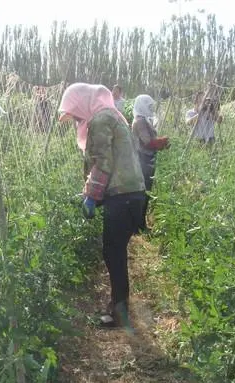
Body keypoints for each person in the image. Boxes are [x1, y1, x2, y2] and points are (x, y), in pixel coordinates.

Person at [58, 82, 146, 329]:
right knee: (116, 252)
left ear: (82, 104)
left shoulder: (100, 120)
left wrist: (91, 196)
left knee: (113, 253)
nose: (76, 119)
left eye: (75, 114)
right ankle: (120, 307)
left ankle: (119, 313)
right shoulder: (112, 115)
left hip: (122, 196)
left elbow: (103, 164)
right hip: (132, 194)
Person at [131, 94, 170, 230]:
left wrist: (161, 144)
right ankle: (138, 225)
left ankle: (139, 224)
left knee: (144, 192)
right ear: (142, 106)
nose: (151, 108)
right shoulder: (140, 122)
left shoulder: (143, 120)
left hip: (146, 159)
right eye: (148, 106)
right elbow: (147, 142)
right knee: (143, 192)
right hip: (143, 160)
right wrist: (161, 142)